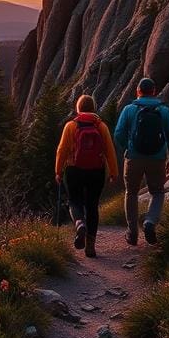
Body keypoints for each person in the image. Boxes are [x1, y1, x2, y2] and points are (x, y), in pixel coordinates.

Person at [114, 77, 169, 246]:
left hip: (133, 158)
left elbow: (118, 134)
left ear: (138, 91)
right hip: (157, 159)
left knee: (131, 193)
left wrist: (127, 148)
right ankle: (150, 222)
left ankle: (132, 233)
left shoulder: (129, 109)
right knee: (157, 192)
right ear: (154, 91)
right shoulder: (164, 111)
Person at [54, 95, 118, 258]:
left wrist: (58, 171)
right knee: (92, 206)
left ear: (78, 108)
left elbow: (62, 150)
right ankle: (90, 246)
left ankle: (79, 223)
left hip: (74, 170)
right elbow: (110, 150)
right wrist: (113, 172)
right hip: (96, 171)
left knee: (74, 201)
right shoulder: (101, 126)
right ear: (94, 108)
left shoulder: (71, 126)